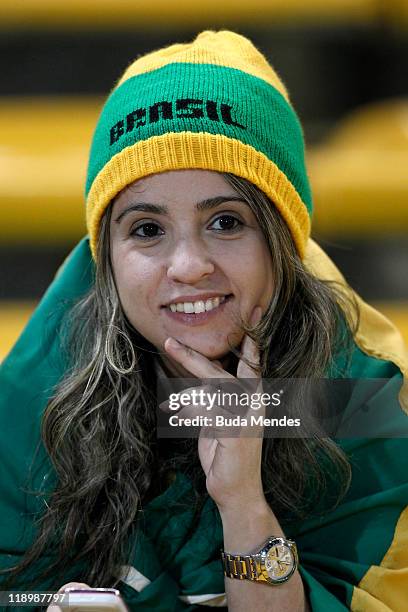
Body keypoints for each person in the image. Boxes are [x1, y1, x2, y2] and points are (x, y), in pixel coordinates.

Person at [0, 30, 407, 612]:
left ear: (282, 240)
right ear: (108, 255)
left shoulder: (363, 392)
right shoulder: (49, 374)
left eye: (226, 222)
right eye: (147, 229)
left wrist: (243, 502)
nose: (188, 267)